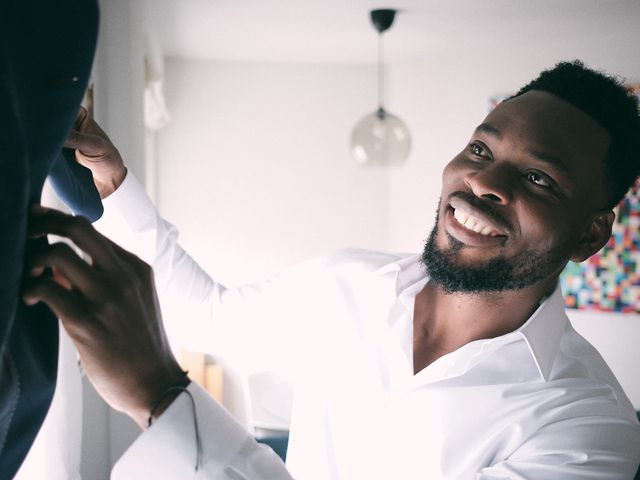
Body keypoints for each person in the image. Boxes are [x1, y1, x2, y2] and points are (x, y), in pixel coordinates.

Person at [23, 61, 640, 479]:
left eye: (538, 177)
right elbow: (208, 316)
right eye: (480, 149)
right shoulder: (344, 284)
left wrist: (162, 395)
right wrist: (111, 185)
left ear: (590, 233)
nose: (481, 182)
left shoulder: (588, 428)